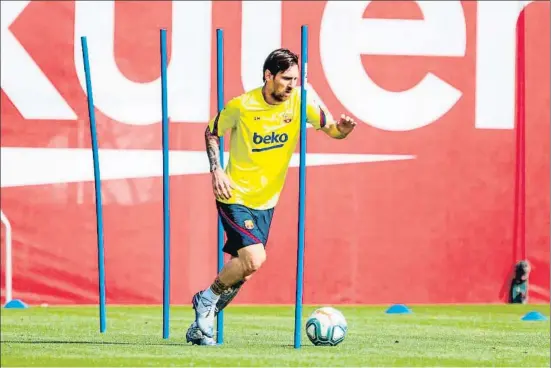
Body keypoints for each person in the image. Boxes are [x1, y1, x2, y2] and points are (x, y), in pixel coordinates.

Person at [186, 48, 357, 345]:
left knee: (244, 272)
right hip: (234, 192)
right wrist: (217, 170)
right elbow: (212, 131)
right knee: (254, 259)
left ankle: (203, 323)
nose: (292, 85)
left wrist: (342, 130)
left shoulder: (301, 103)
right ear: (269, 76)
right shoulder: (242, 105)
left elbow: (331, 129)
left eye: (295, 79)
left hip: (267, 201)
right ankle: (206, 299)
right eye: (286, 78)